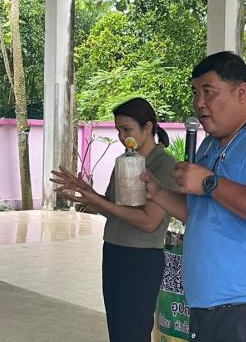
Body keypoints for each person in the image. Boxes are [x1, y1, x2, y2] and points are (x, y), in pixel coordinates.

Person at [141, 51, 246, 342]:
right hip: (210, 305)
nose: (199, 103)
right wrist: (157, 193)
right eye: (195, 93)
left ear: (241, 91)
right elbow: (200, 213)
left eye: (209, 91)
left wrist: (208, 182)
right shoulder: (209, 145)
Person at [50, 97, 177, 342]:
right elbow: (112, 209)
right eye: (118, 130)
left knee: (134, 330)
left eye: (127, 129)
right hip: (114, 251)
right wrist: (86, 192)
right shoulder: (124, 161)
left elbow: (149, 222)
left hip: (141, 258)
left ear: (148, 127)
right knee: (117, 329)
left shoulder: (165, 164)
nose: (121, 136)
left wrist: (98, 201)